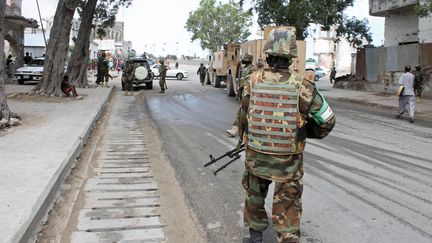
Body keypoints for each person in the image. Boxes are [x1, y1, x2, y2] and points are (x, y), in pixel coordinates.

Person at [239, 27, 335, 243]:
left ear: (267, 53)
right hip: (288, 162)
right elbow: (328, 121)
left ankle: (255, 237)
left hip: (256, 157)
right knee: (288, 203)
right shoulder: (304, 87)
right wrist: (305, 132)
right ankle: (288, 237)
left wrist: (244, 139)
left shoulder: (251, 82)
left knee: (254, 196)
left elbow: (243, 117)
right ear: (292, 56)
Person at [226, 53, 254, 137]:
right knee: (244, 112)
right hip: (246, 92)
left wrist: (240, 89)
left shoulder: (249, 69)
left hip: (246, 93)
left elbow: (245, 82)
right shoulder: (248, 68)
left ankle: (235, 129)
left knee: (241, 112)